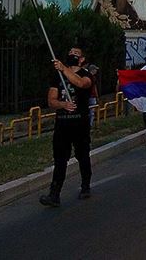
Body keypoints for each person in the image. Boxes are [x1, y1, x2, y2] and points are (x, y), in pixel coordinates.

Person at [40, 47, 94, 207]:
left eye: (76, 53)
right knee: (60, 159)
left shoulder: (87, 75)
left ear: (82, 59)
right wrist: (62, 104)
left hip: (80, 124)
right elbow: (51, 100)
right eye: (70, 53)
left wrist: (63, 68)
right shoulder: (57, 77)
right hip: (62, 124)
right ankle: (54, 194)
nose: (72, 55)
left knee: (82, 155)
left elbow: (80, 83)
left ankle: (85, 186)